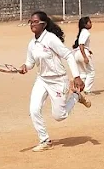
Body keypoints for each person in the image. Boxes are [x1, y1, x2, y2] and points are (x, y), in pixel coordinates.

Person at [18, 11, 89, 151]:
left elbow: (68, 55)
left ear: (43, 24)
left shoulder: (51, 39)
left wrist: (77, 77)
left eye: (35, 22)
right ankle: (45, 140)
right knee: (34, 109)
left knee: (59, 116)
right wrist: (25, 67)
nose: (32, 24)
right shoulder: (32, 44)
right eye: (31, 22)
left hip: (58, 80)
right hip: (42, 80)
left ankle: (76, 96)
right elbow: (30, 63)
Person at [73, 15, 96, 93]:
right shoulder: (86, 32)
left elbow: (81, 44)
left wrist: (88, 50)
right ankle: (87, 89)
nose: (91, 24)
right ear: (85, 24)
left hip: (77, 54)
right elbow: (81, 44)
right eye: (89, 22)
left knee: (82, 72)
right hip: (82, 53)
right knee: (91, 72)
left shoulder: (82, 32)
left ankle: (79, 89)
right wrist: (85, 56)